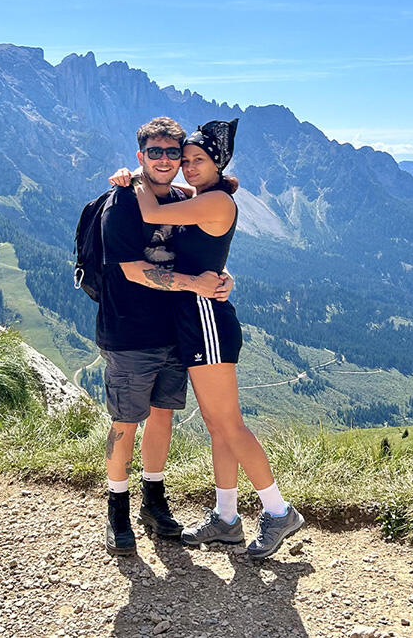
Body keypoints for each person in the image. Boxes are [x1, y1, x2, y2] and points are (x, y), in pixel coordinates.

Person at [109, 119, 304, 559]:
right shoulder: (198, 199)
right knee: (218, 428)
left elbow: (152, 214)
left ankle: (277, 510)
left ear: (217, 165)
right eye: (186, 158)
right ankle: (227, 519)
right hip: (192, 319)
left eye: (197, 159)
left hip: (206, 320)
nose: (188, 167)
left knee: (228, 424)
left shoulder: (214, 200)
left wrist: (133, 175)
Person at [98, 116, 233, 556]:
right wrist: (195, 285)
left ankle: (153, 500)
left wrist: (221, 277)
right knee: (124, 423)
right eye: (153, 152)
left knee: (162, 417)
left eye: (172, 153)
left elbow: (203, 247)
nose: (164, 160)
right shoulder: (121, 202)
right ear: (141, 156)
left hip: (173, 330)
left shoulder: (182, 197)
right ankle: (117, 507)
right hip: (128, 331)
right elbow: (134, 271)